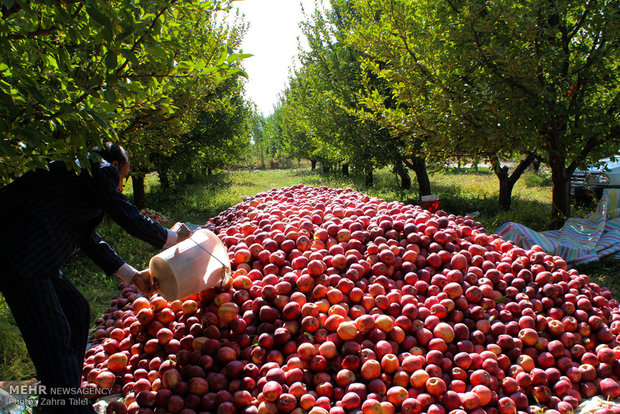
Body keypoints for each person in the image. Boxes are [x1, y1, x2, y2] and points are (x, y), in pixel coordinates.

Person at [0, 142, 190, 413]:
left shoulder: (79, 181)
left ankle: (61, 395)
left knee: (76, 309)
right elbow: (128, 216)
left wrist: (134, 276)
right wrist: (173, 237)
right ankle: (67, 404)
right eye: (124, 177)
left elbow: (88, 238)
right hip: (21, 255)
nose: (122, 185)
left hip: (32, 255)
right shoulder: (98, 169)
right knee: (55, 337)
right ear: (115, 167)